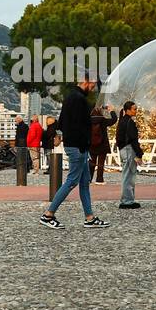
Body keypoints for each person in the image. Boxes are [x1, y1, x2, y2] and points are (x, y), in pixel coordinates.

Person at [39, 73, 109, 229]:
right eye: (92, 85)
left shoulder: (71, 97)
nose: (92, 89)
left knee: (84, 183)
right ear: (86, 81)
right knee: (71, 181)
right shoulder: (79, 99)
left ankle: (89, 218)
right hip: (78, 147)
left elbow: (62, 122)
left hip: (77, 146)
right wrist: (85, 143)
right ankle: (48, 215)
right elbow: (81, 125)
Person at [114, 101, 144, 209]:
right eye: (134, 109)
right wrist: (139, 154)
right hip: (128, 149)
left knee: (128, 175)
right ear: (128, 110)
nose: (136, 111)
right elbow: (133, 139)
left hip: (123, 149)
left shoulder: (122, 121)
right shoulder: (129, 122)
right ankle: (127, 201)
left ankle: (129, 199)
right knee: (129, 176)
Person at [89, 103, 118, 183]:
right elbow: (114, 119)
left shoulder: (88, 120)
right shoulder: (103, 120)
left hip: (91, 145)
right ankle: (99, 179)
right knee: (101, 163)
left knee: (92, 162)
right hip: (102, 144)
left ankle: (89, 179)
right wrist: (111, 110)